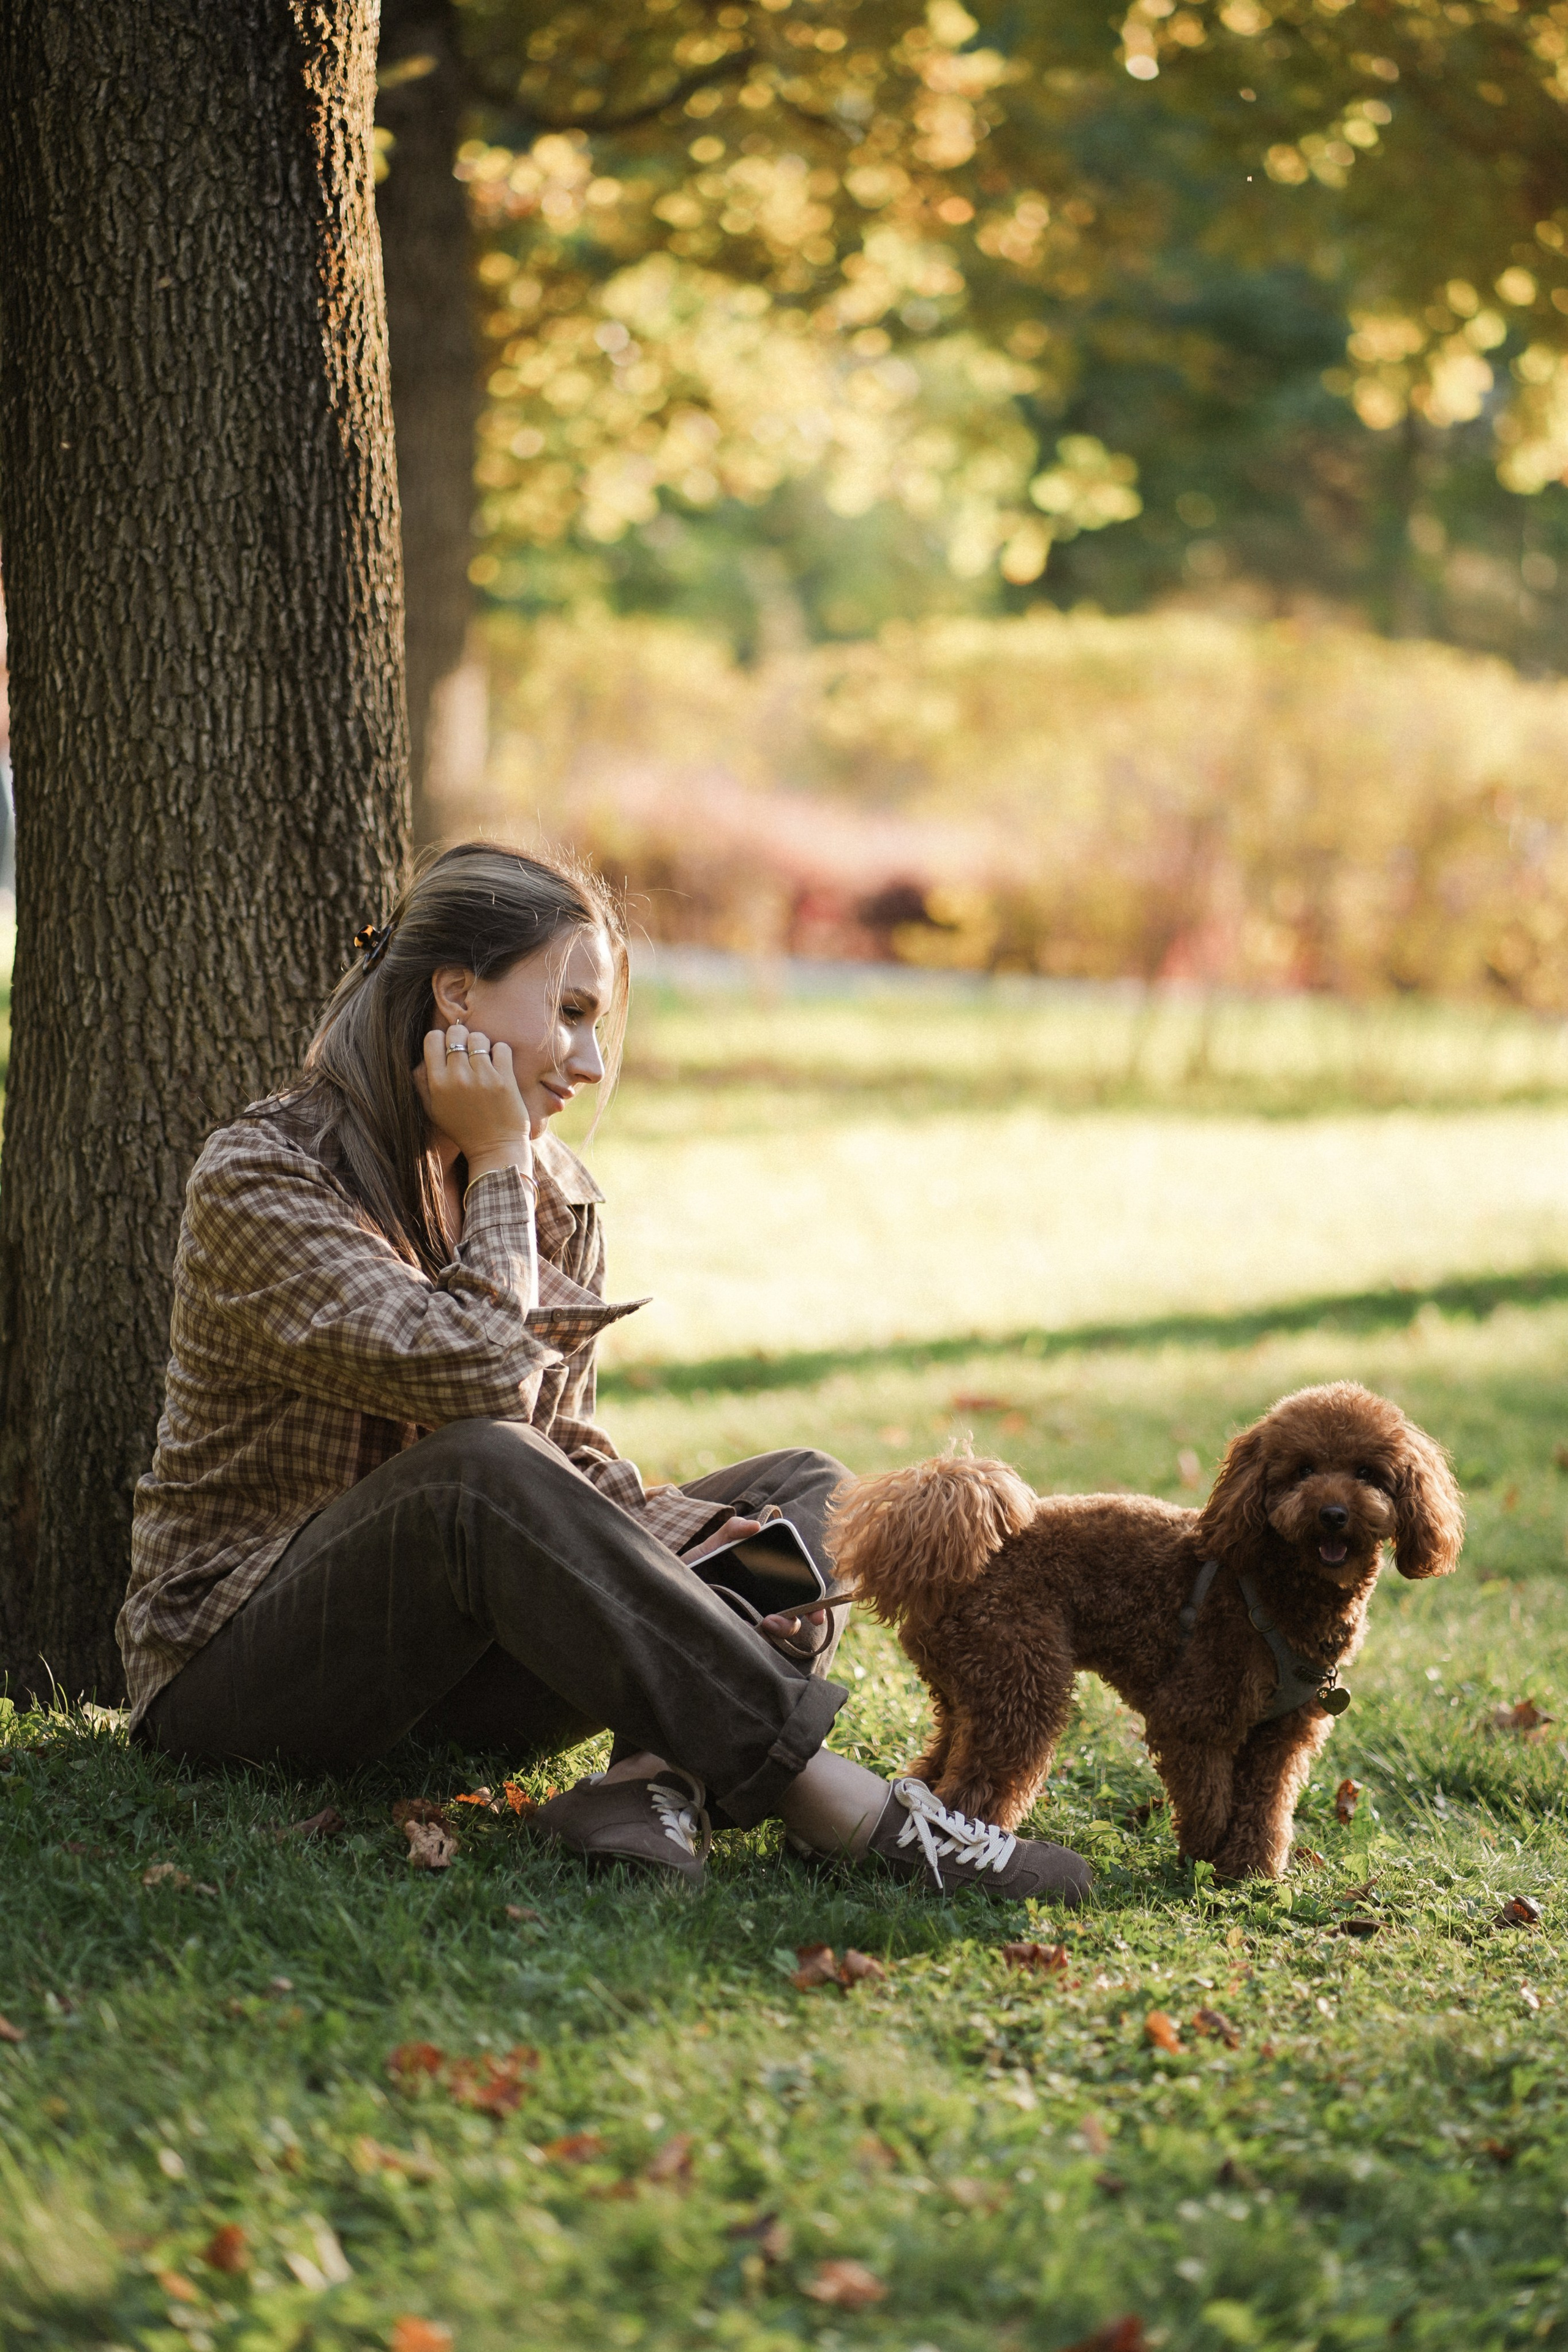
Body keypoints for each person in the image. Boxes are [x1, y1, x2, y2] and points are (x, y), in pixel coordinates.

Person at [117, 844, 1090, 1902]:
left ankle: (648, 1782)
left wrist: (711, 1568)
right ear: (456, 991)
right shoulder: (268, 1175)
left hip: (468, 1678)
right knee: (478, 1468)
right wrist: (495, 1162)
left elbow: (565, 1453)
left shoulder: (553, 1190)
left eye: (599, 1026)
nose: (588, 1062)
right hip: (249, 1679)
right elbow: (487, 1398)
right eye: (571, 1011)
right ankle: (842, 1804)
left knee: (810, 1499)